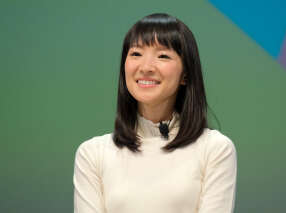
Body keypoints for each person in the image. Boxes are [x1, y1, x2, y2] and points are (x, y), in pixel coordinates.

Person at [73, 13, 237, 213]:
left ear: (185, 74)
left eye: (163, 56)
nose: (146, 67)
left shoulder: (214, 149)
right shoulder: (93, 154)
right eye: (136, 54)